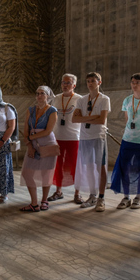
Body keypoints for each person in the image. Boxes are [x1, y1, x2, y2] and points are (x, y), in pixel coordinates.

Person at [111, 73, 140, 209]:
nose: (134, 84)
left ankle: (138, 197)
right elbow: (127, 118)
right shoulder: (127, 100)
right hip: (128, 139)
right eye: (132, 82)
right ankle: (126, 197)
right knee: (124, 168)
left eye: (137, 82)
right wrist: (128, 132)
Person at [72, 72, 110, 212]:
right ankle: (92, 195)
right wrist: (92, 117)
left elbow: (101, 120)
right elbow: (74, 120)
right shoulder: (82, 100)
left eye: (93, 81)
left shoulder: (104, 99)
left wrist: (85, 118)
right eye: (88, 81)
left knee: (101, 167)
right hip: (85, 137)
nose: (90, 83)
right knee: (88, 167)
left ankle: (101, 197)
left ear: (99, 82)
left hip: (98, 136)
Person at [20, 86, 58, 212]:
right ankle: (34, 203)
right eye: (37, 94)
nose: (39, 96)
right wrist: (29, 144)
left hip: (47, 143)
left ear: (47, 96)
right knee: (26, 172)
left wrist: (31, 137)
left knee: (46, 173)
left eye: (42, 93)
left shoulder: (52, 110)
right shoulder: (30, 110)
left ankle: (44, 200)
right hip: (33, 143)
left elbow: (48, 131)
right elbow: (26, 128)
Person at [47, 74, 83, 204]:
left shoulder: (80, 99)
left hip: (74, 137)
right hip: (57, 137)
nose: (65, 85)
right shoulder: (55, 98)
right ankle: (58, 191)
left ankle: (77, 193)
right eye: (63, 82)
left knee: (75, 166)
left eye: (68, 83)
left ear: (74, 85)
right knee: (58, 166)